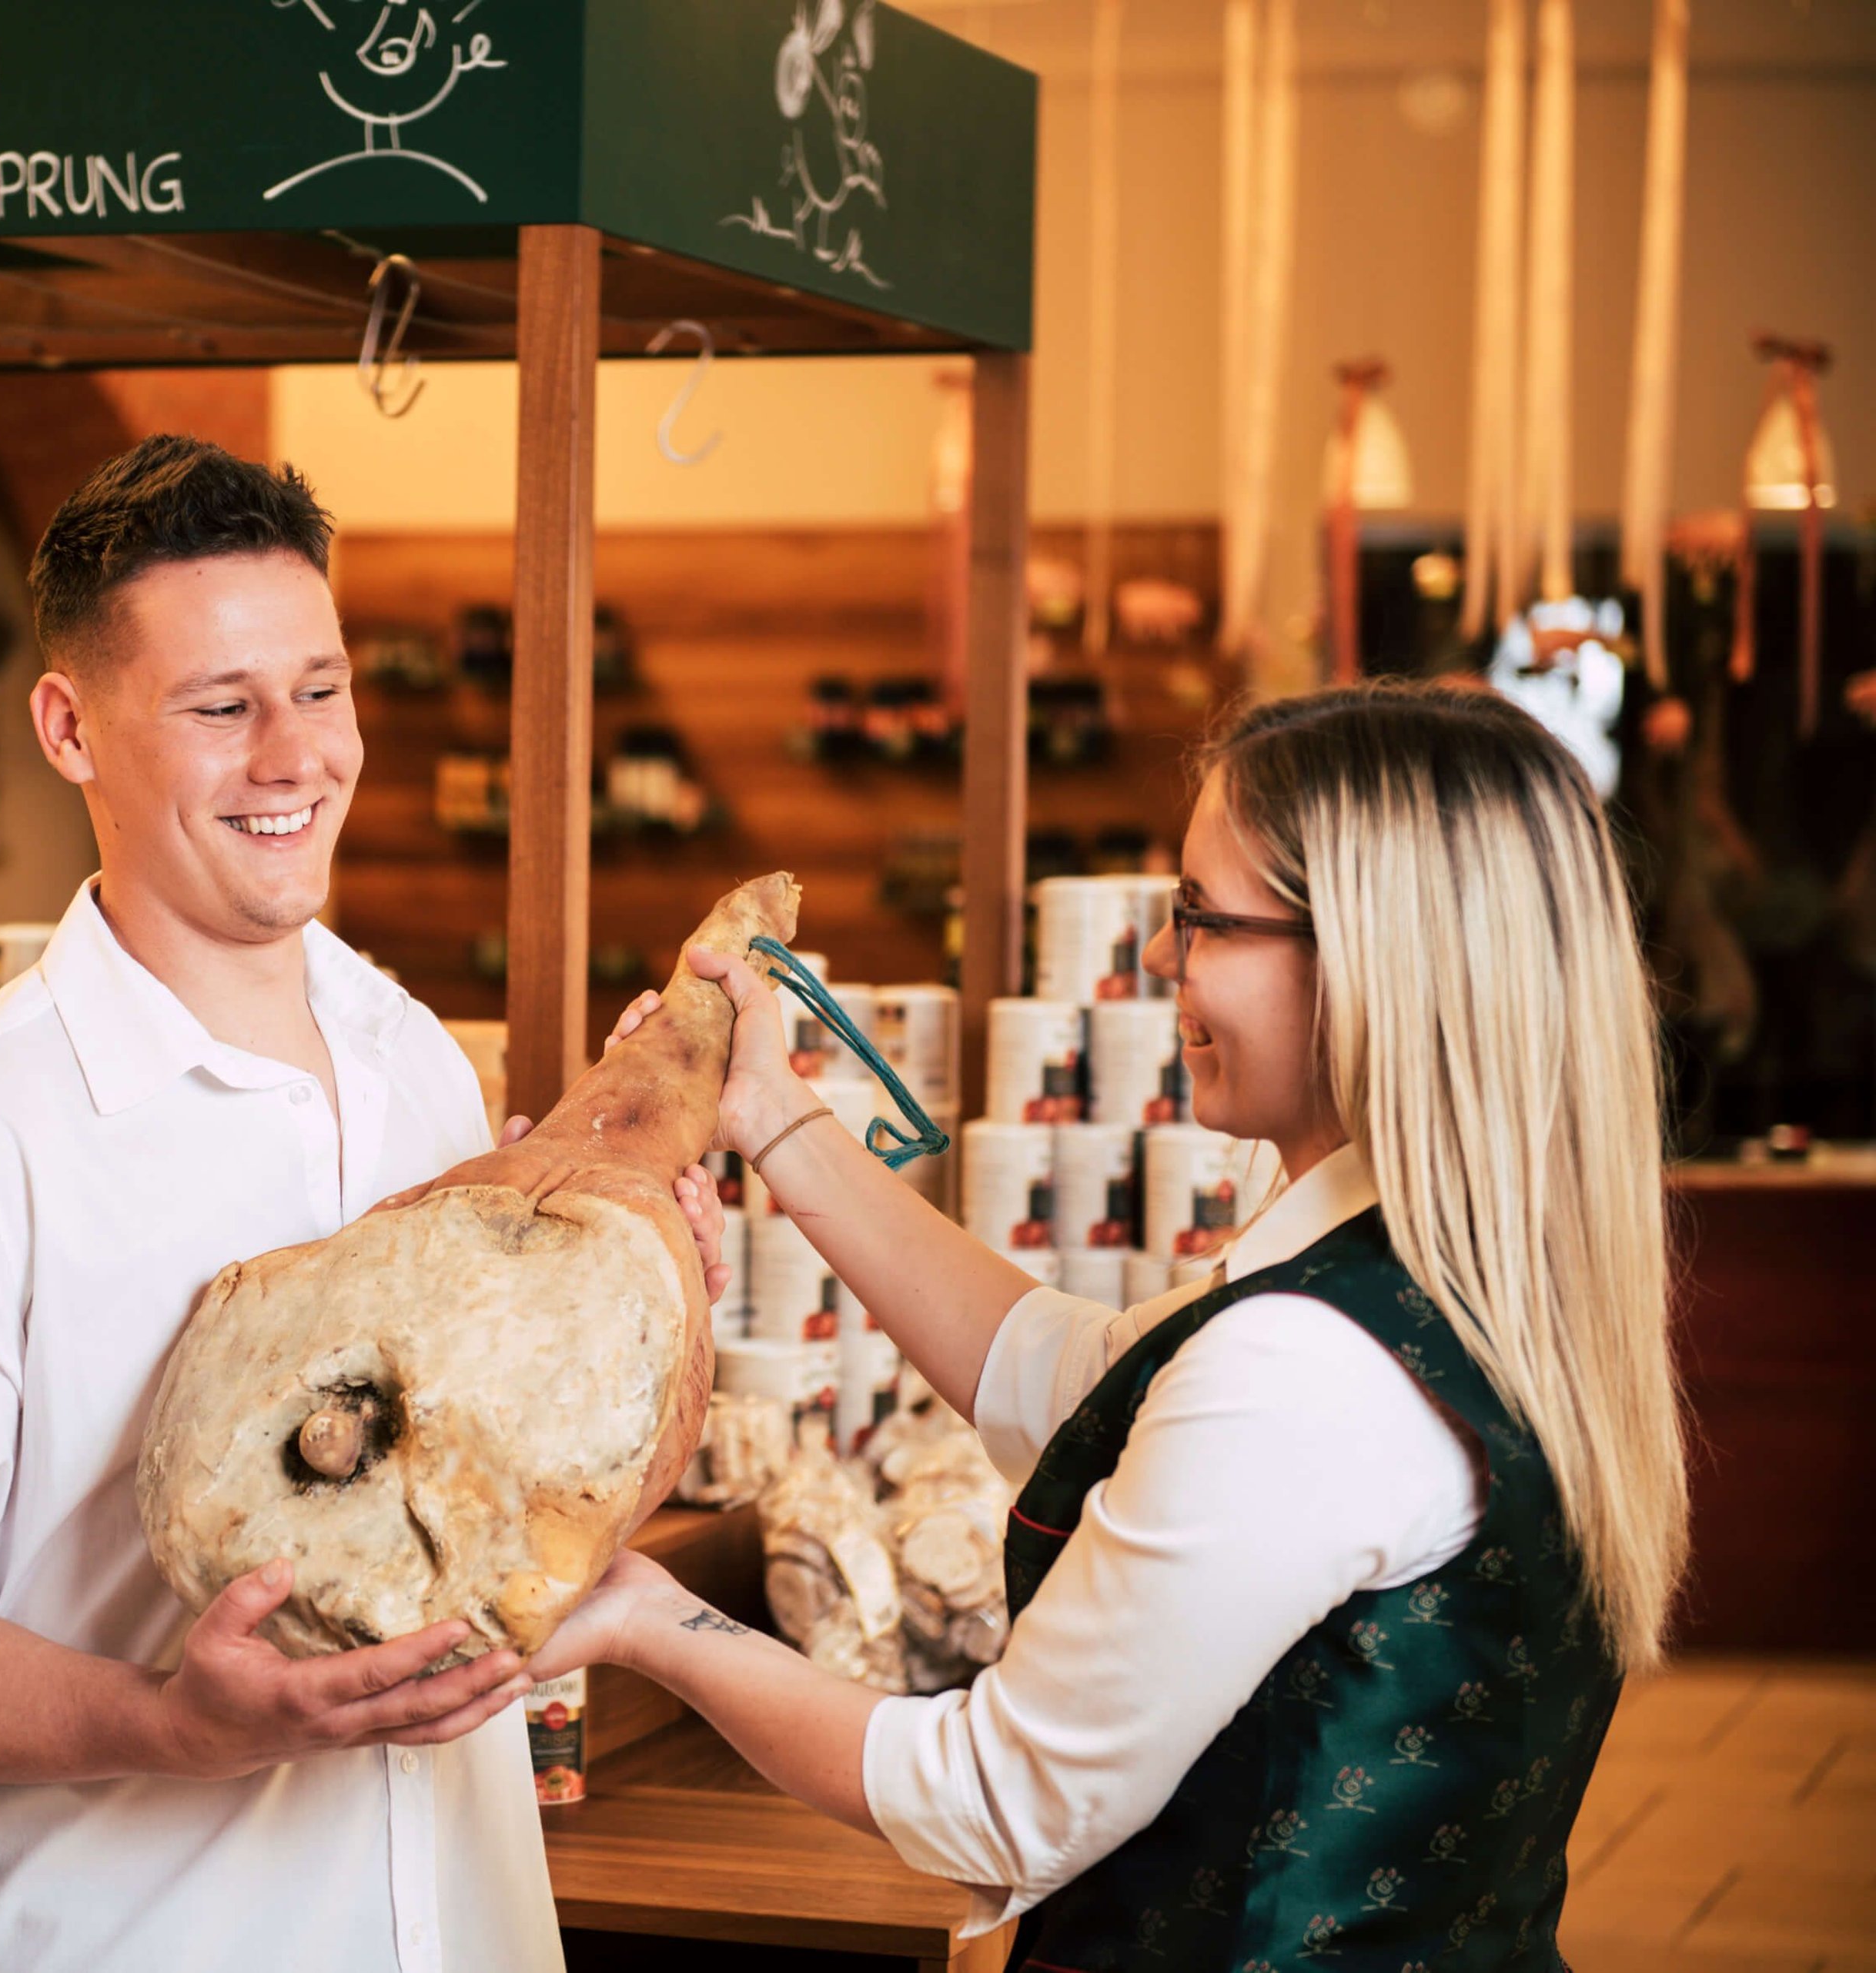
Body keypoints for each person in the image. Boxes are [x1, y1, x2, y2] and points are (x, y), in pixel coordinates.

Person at [532, 681, 1690, 1968]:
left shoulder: (1303, 1369)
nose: (1157, 962)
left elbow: (997, 1804)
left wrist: (653, 1619)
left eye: (1201, 917)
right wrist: (776, 1120)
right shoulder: (1463, 1274)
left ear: (1368, 959)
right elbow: (1075, 1379)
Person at [0, 436, 717, 1973]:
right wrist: (172, 1724)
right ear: (70, 729)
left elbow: (478, 1472)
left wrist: (645, 1315)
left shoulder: (413, 1057)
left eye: (324, 687)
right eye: (224, 707)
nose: (296, 756)